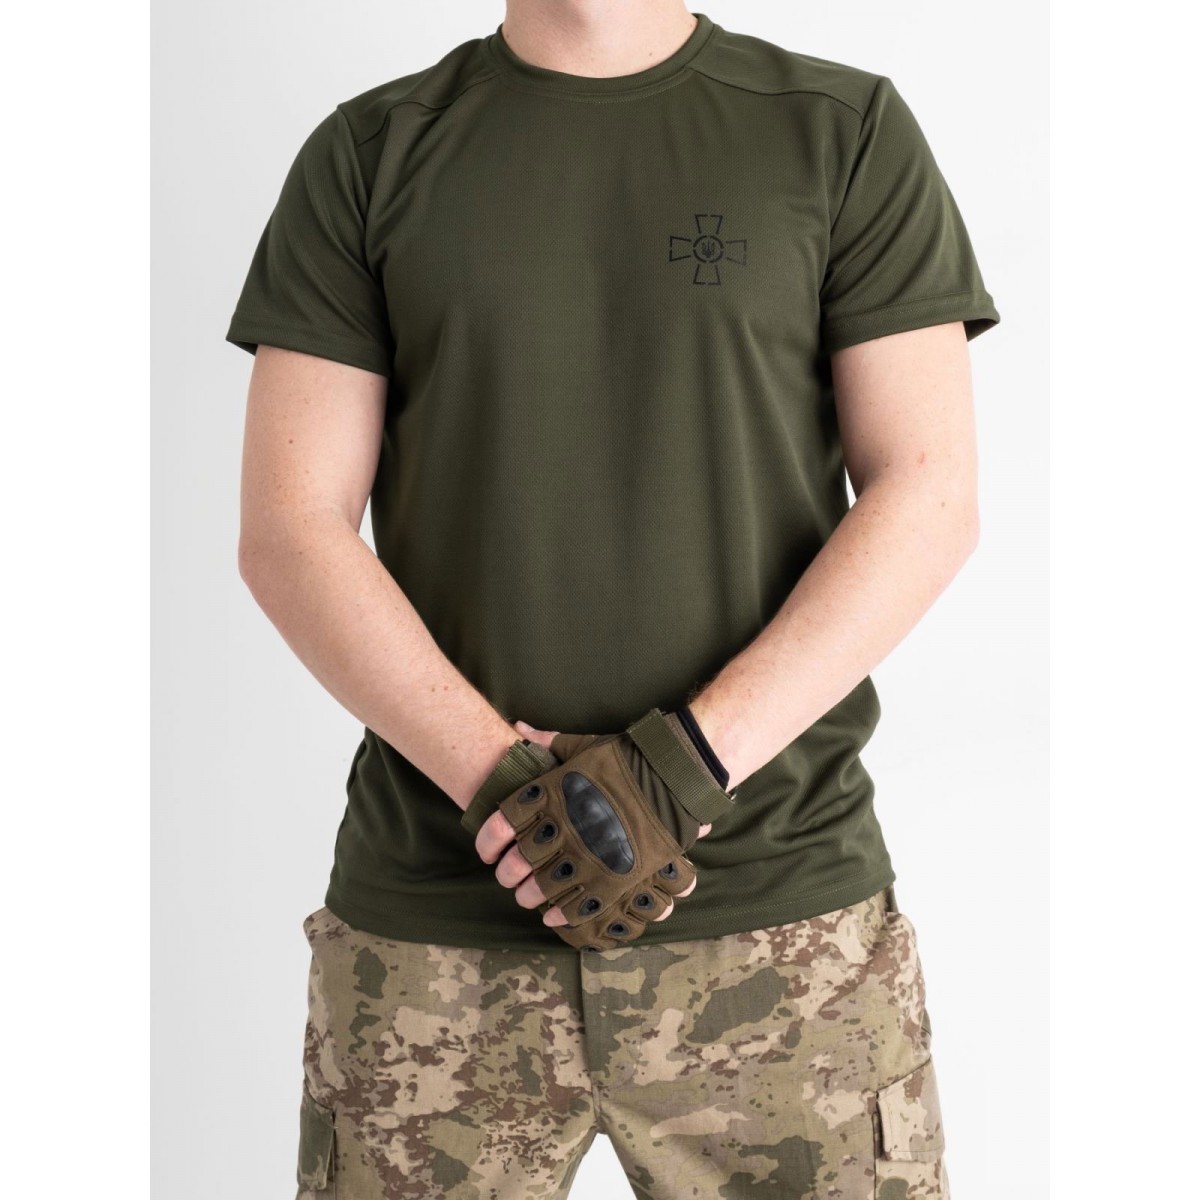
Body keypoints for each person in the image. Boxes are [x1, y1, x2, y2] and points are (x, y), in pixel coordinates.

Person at [227, 2, 999, 1195]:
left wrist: (674, 773)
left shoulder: (841, 130)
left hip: (782, 936)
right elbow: (291, 530)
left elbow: (928, 492)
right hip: (436, 944)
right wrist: (517, 795)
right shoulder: (368, 153)